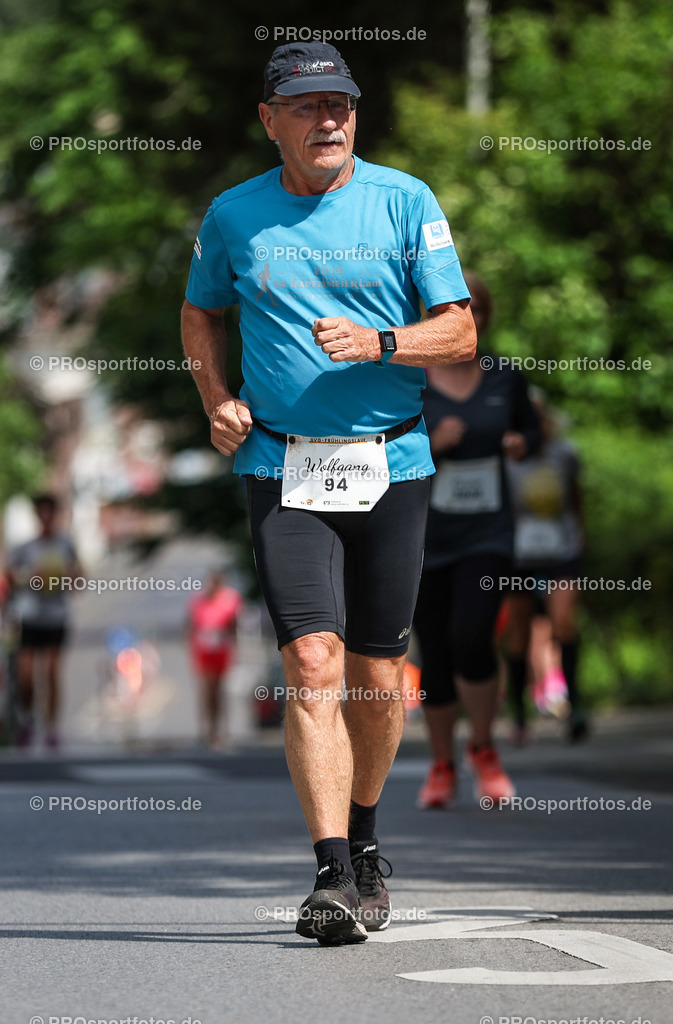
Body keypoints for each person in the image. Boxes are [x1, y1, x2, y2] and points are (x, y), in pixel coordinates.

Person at [181, 42, 476, 945]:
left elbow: (458, 330)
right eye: (307, 107)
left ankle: (370, 838)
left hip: (392, 464)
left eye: (341, 104)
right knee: (311, 665)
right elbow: (200, 311)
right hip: (282, 467)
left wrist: (383, 344)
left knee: (377, 675)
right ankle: (331, 872)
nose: (329, 120)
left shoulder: (403, 200)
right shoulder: (234, 216)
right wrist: (216, 400)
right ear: (270, 120)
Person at [412, 273, 541, 810]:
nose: (465, 320)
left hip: (488, 532)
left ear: (483, 320)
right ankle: (442, 765)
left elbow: (534, 433)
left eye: (474, 311)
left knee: (472, 635)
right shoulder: (411, 379)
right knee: (436, 653)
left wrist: (519, 443)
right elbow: (377, 451)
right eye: (449, 310)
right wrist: (430, 444)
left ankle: (484, 749)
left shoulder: (504, 377)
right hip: (421, 534)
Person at [503, 391, 588, 742]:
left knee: (563, 623)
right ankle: (519, 713)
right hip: (518, 552)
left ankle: (576, 706)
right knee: (520, 634)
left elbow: (576, 499)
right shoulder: (505, 459)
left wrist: (583, 543)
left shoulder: (564, 454)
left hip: (561, 548)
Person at [6, 493, 80, 749]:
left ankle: (52, 729)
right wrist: (31, 577)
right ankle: (27, 719)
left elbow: (79, 579)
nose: (46, 518)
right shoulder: (25, 548)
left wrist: (66, 578)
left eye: (50, 513)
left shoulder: (65, 545)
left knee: (51, 673)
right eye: (42, 513)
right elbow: (10, 579)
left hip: (56, 616)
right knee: (26, 677)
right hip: (29, 616)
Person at [187, 570, 243, 748]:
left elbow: (235, 627)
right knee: (207, 690)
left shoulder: (231, 600)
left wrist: (235, 649)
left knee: (220, 689)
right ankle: (207, 729)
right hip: (204, 650)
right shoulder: (198, 601)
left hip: (222, 649)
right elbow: (191, 626)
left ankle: (220, 729)